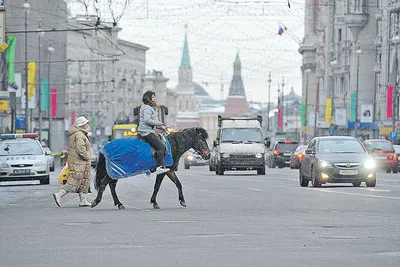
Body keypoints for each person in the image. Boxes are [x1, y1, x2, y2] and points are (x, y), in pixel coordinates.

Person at [53, 116, 92, 207]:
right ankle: (59, 194)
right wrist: (87, 156)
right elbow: (80, 148)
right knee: (75, 180)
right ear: (82, 124)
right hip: (79, 162)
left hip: (80, 162)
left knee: (83, 181)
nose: (87, 124)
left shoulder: (80, 134)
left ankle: (83, 200)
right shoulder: (79, 134)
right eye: (86, 123)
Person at [137, 91, 170, 175]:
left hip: (148, 131)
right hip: (146, 132)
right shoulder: (147, 108)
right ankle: (159, 167)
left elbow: (152, 122)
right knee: (162, 147)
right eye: (153, 97)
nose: (155, 99)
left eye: (155, 97)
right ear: (148, 98)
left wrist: (162, 127)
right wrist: (159, 123)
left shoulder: (148, 108)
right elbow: (147, 120)